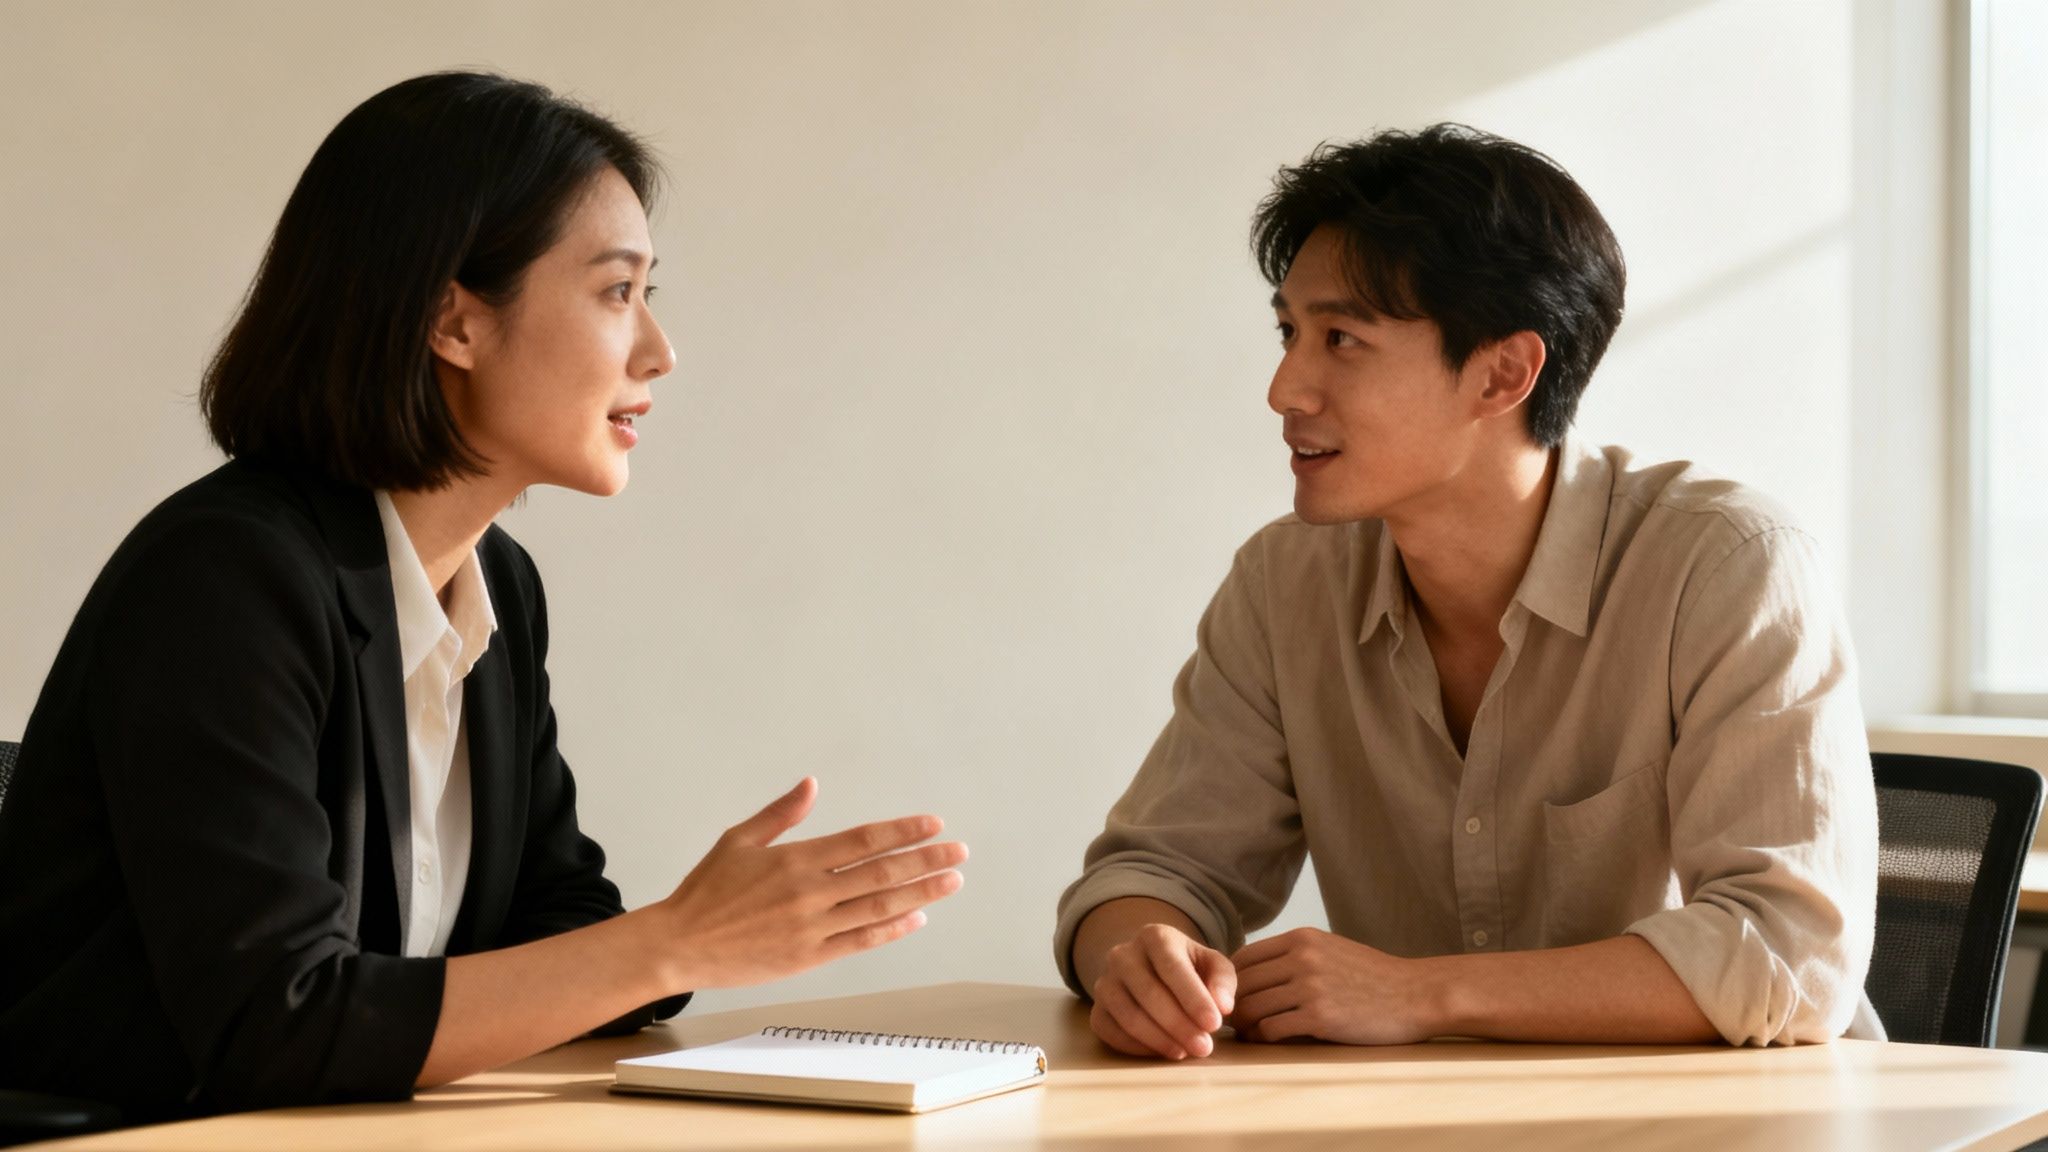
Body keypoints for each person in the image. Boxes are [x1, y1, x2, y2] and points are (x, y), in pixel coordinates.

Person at [0, 72, 966, 1118]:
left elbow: (553, 915)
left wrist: (701, 932)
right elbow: (275, 1022)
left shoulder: (494, 581)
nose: (659, 351)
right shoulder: (226, 578)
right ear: (452, 321)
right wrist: (676, 941)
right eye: (617, 292)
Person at [1054, 124, 1879, 1058]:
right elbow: (1154, 870)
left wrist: (1421, 994)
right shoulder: (1285, 584)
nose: (1285, 389)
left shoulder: (1729, 566)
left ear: (1503, 374)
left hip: (1730, 1113)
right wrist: (1138, 955)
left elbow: (1788, 952)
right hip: (1420, 1113)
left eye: (1341, 339)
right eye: (1289, 333)